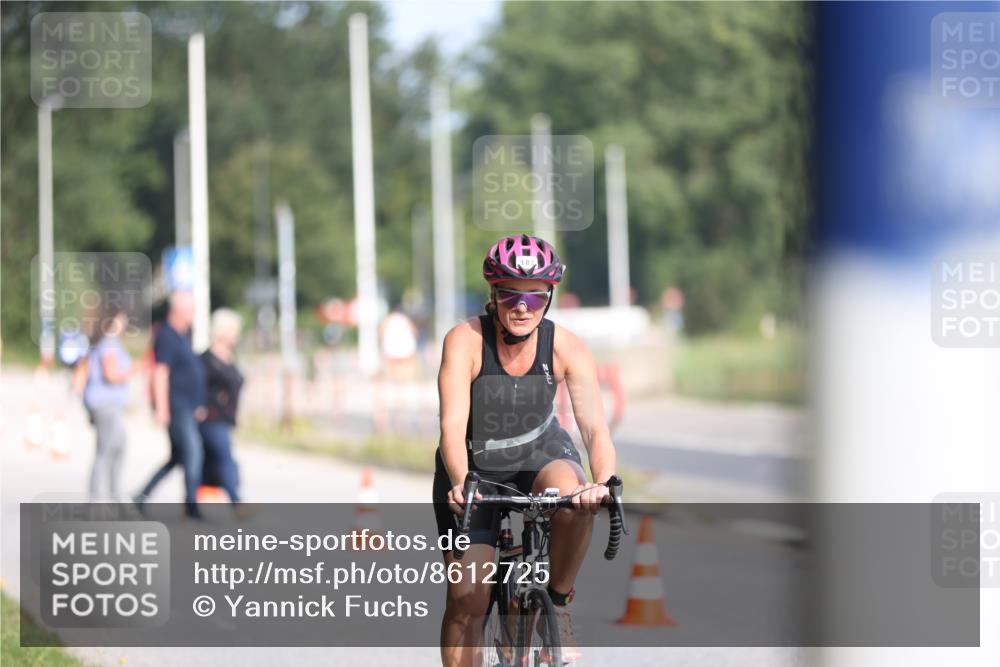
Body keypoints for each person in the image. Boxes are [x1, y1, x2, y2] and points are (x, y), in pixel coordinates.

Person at [433, 234, 618, 666]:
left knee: (573, 499)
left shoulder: (567, 347)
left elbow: (594, 428)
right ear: (493, 295)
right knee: (468, 600)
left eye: (535, 299)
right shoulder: (464, 341)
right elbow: (451, 426)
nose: (522, 308)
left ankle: (557, 602)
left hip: (540, 453)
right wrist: (461, 484)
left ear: (549, 299)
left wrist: (602, 483)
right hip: (474, 467)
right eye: (510, 295)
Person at [134, 291, 206, 518]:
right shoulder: (166, 335)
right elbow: (160, 372)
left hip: (188, 405)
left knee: (178, 457)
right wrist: (162, 408)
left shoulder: (184, 335)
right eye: (191, 308)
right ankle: (191, 504)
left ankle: (141, 496)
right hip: (176, 406)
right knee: (193, 453)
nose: (194, 313)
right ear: (178, 310)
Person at [78, 307, 139, 501]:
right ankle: (98, 498)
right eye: (122, 319)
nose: (125, 323)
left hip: (103, 404)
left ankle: (112, 493)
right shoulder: (110, 343)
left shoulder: (103, 342)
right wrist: (135, 369)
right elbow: (111, 375)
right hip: (107, 405)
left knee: (117, 446)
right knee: (105, 451)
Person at [198, 308, 245, 506]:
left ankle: (192, 502)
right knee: (226, 459)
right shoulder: (205, 360)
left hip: (226, 417)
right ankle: (237, 502)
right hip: (211, 417)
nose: (237, 335)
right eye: (235, 330)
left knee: (208, 461)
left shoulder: (230, 357)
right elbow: (198, 387)